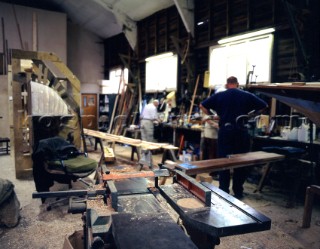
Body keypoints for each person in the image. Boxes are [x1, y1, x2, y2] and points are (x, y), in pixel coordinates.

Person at [200, 76, 268, 199]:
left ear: (227, 84)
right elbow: (264, 106)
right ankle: (238, 192)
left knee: (223, 162)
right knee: (240, 162)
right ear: (237, 84)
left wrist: (214, 115)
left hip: (225, 132)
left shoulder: (220, 95)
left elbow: (202, 106)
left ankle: (224, 192)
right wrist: (251, 115)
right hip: (241, 131)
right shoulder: (246, 95)